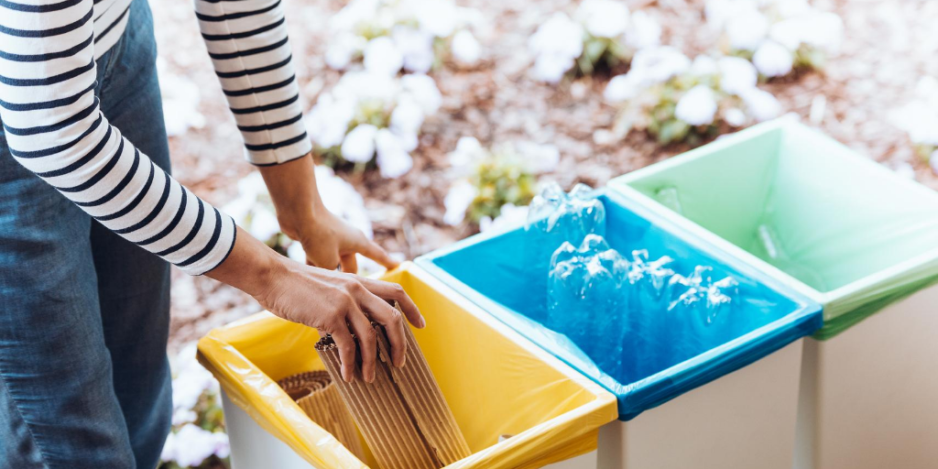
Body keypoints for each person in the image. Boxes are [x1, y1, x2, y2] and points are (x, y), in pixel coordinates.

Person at [0, 0, 424, 467]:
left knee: (138, 400)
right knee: (71, 447)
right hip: (28, 110)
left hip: (110, 40)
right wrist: (273, 275)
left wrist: (302, 206)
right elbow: (52, 128)